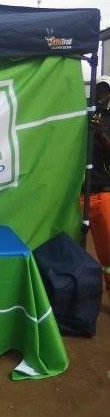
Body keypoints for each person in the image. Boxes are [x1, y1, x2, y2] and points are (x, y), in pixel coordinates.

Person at [88, 75, 110, 296]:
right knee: (73, 247)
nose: (101, 94)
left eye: (105, 90)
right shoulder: (81, 114)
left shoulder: (107, 120)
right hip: (77, 194)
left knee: (108, 252)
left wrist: (100, 133)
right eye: (98, 89)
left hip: (103, 193)